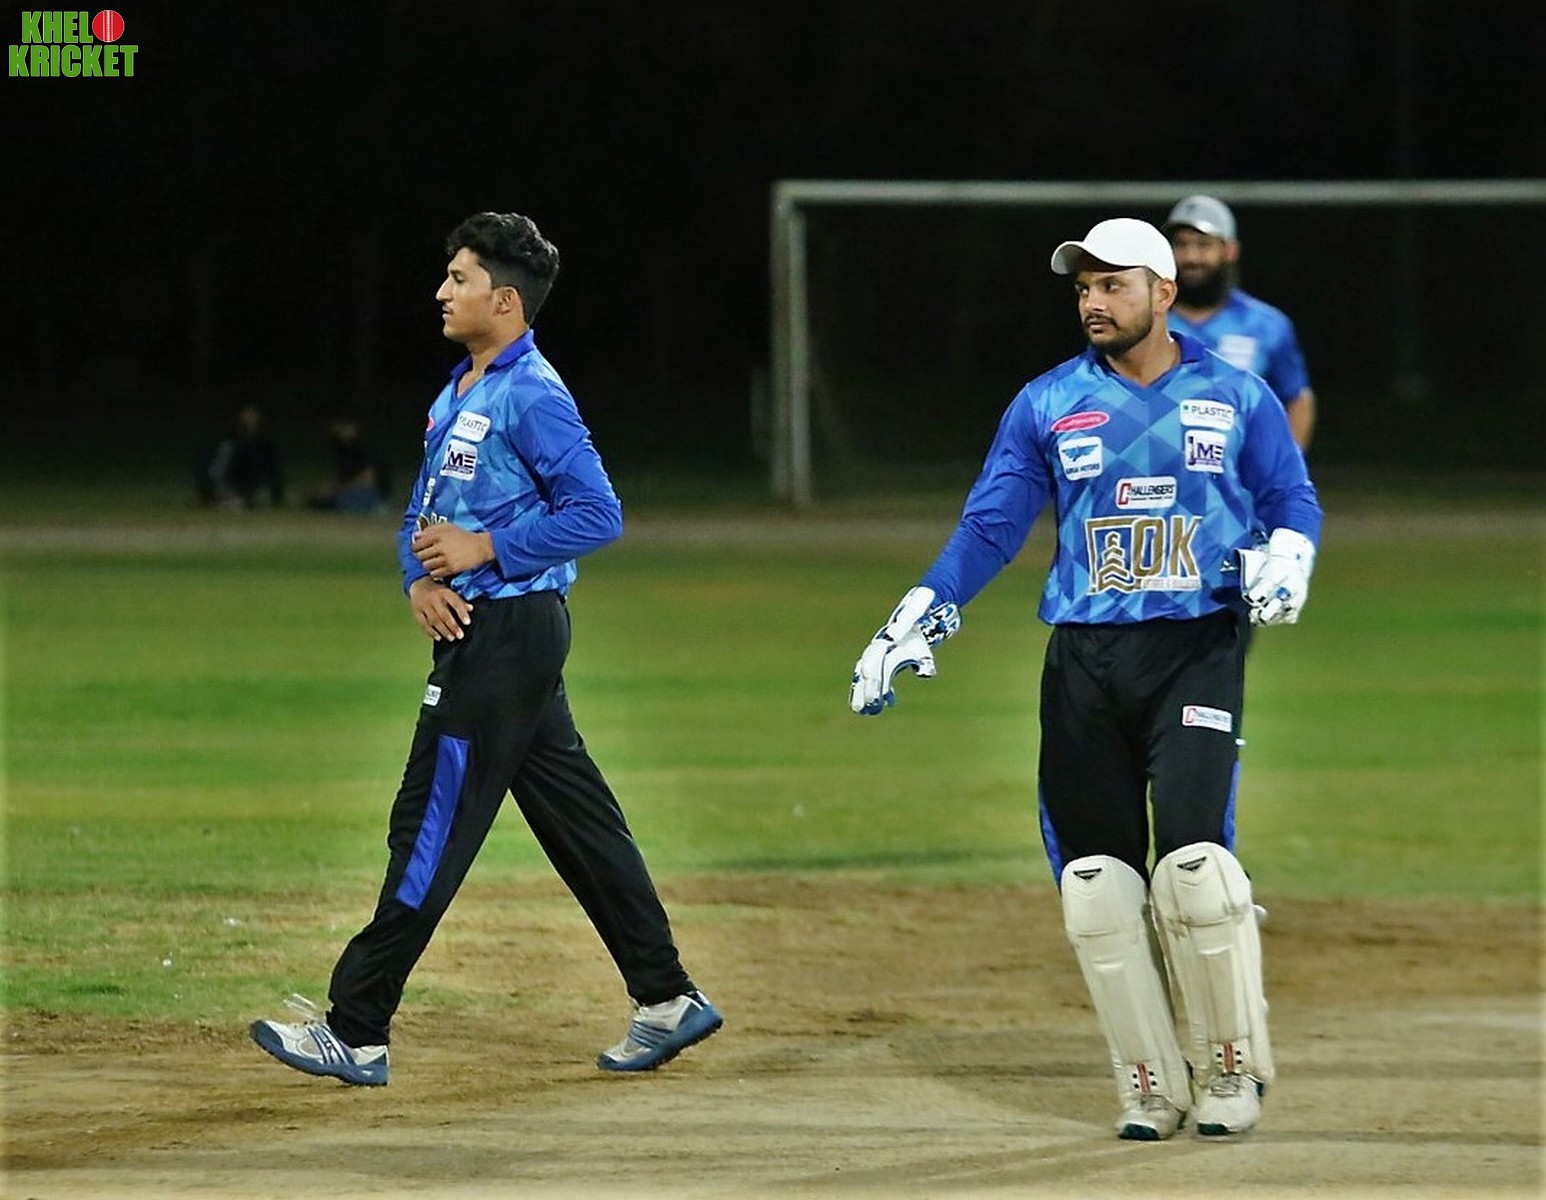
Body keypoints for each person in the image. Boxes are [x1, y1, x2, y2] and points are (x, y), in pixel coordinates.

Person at [848, 218, 1321, 1142]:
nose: (1094, 303)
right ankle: (1149, 1082)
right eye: (1083, 289)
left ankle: (1231, 1067)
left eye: (1112, 285)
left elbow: (1289, 496)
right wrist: (919, 611)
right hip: (1083, 662)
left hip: (1195, 649)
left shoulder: (1236, 394)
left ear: (1163, 293)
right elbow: (990, 526)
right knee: (1098, 884)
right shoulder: (1048, 402)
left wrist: (1292, 555)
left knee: (1194, 867)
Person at [251, 211, 721, 1086]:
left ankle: (356, 1027)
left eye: (460, 279)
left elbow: (598, 514)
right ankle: (667, 996)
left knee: (427, 823)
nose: (441, 291)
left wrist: (487, 550)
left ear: (505, 301)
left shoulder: (531, 393)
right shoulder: (460, 390)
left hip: (507, 637)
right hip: (493, 637)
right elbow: (423, 512)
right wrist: (418, 580)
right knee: (580, 824)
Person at [1164, 195, 1317, 451]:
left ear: (1230, 250)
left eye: (1203, 245)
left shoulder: (1266, 324)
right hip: (1165, 466)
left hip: (1243, 469)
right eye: (1181, 245)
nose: (1191, 257)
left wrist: (1287, 464)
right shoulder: (1149, 321)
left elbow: (1297, 397)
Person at [195, 403, 285, 509]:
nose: (249, 418)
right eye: (247, 414)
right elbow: (211, 466)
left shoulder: (263, 440)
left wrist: (276, 497)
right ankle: (218, 498)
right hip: (225, 480)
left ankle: (235, 498)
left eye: (253, 415)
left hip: (242, 481)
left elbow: (272, 467)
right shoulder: (226, 439)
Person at [305, 412, 390, 514]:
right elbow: (341, 477)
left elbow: (368, 479)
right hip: (350, 490)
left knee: (339, 502)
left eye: (342, 426)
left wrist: (338, 489)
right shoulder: (342, 449)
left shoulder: (363, 447)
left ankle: (376, 506)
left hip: (372, 492)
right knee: (318, 499)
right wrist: (325, 489)